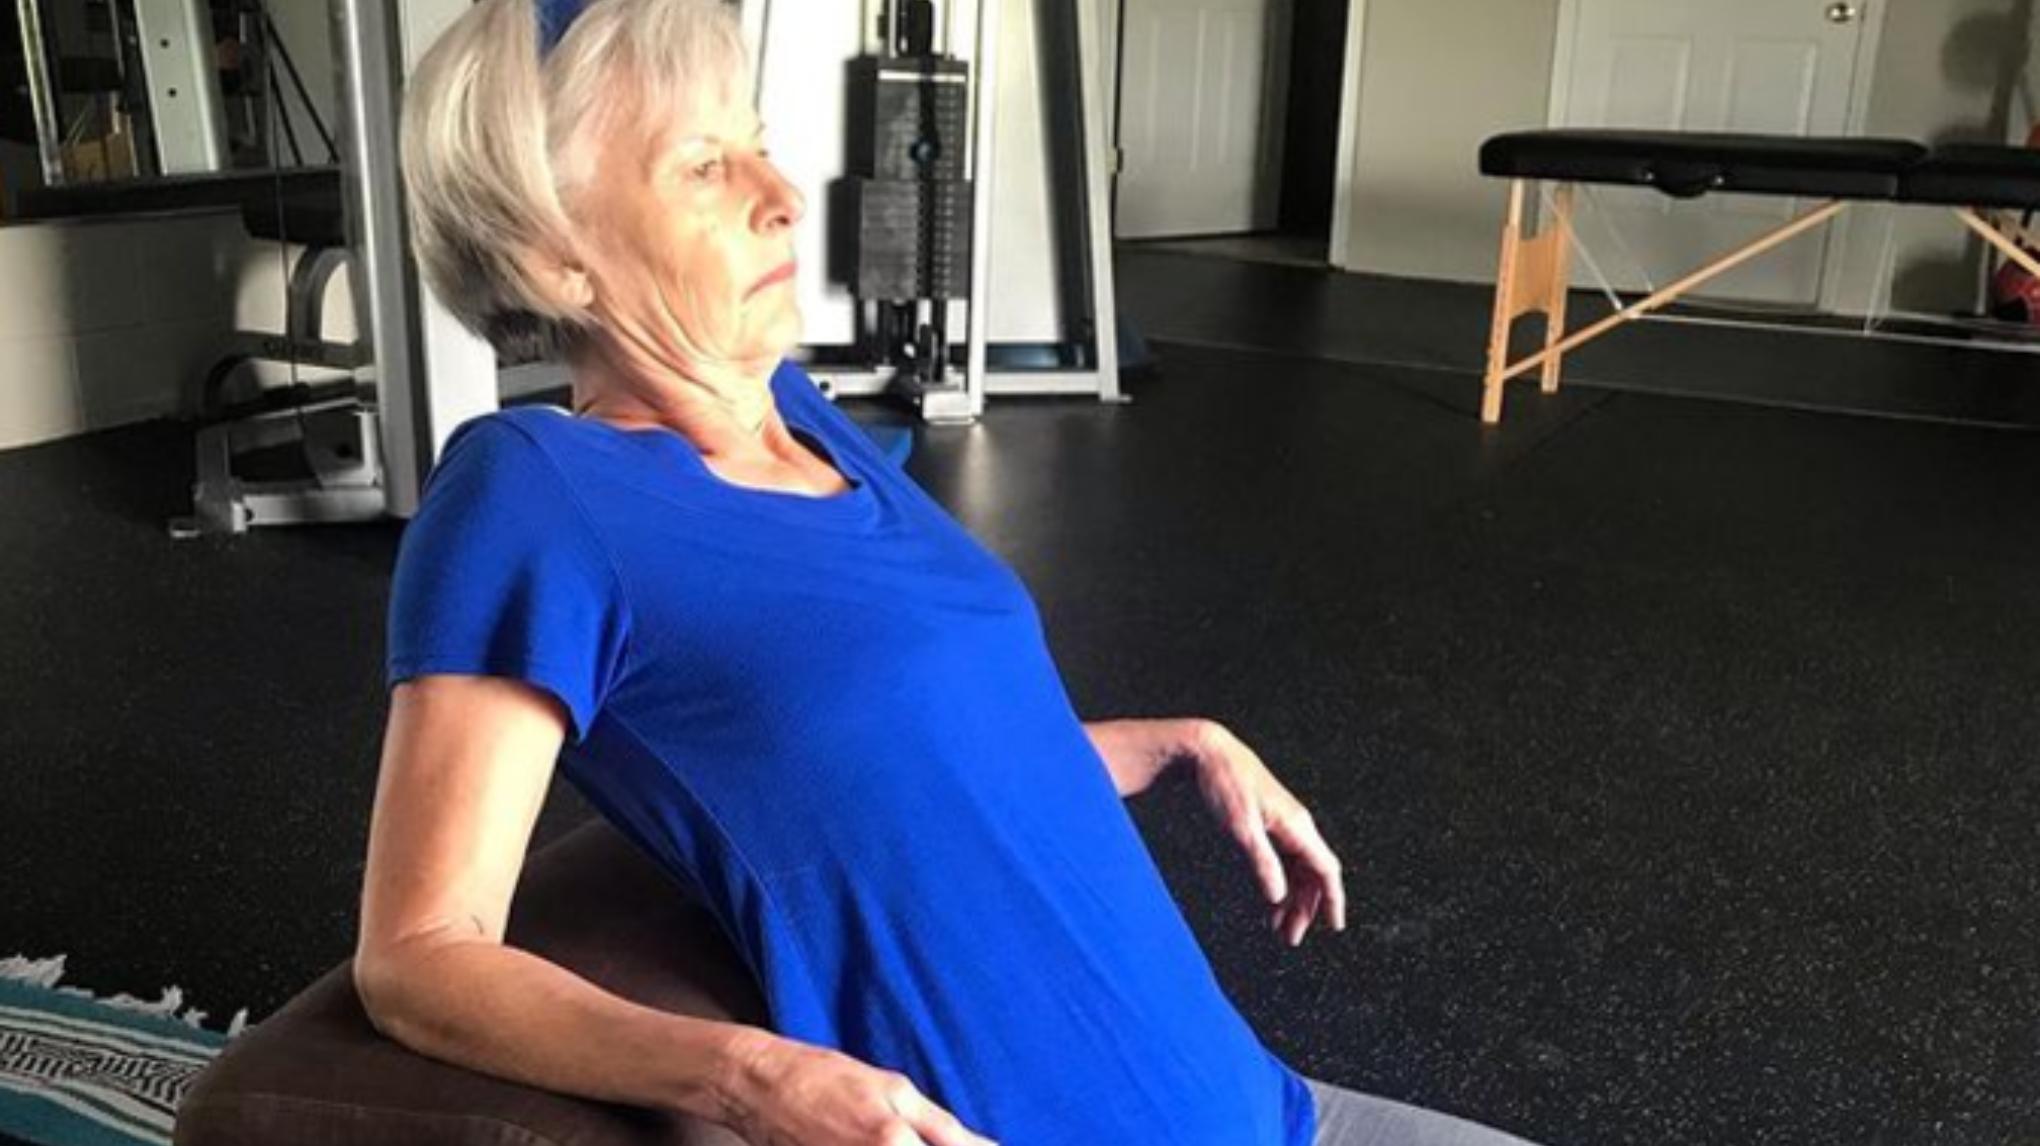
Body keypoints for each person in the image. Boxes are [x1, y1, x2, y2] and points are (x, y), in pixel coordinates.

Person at [354, 1, 1547, 1143]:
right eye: (705, 168)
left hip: (1272, 1104)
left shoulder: (799, 416)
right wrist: (752, 1079)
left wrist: (1181, 740)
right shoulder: (532, 493)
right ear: (554, 255)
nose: (782, 198)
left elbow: (915, 774)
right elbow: (418, 956)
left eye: (758, 145)